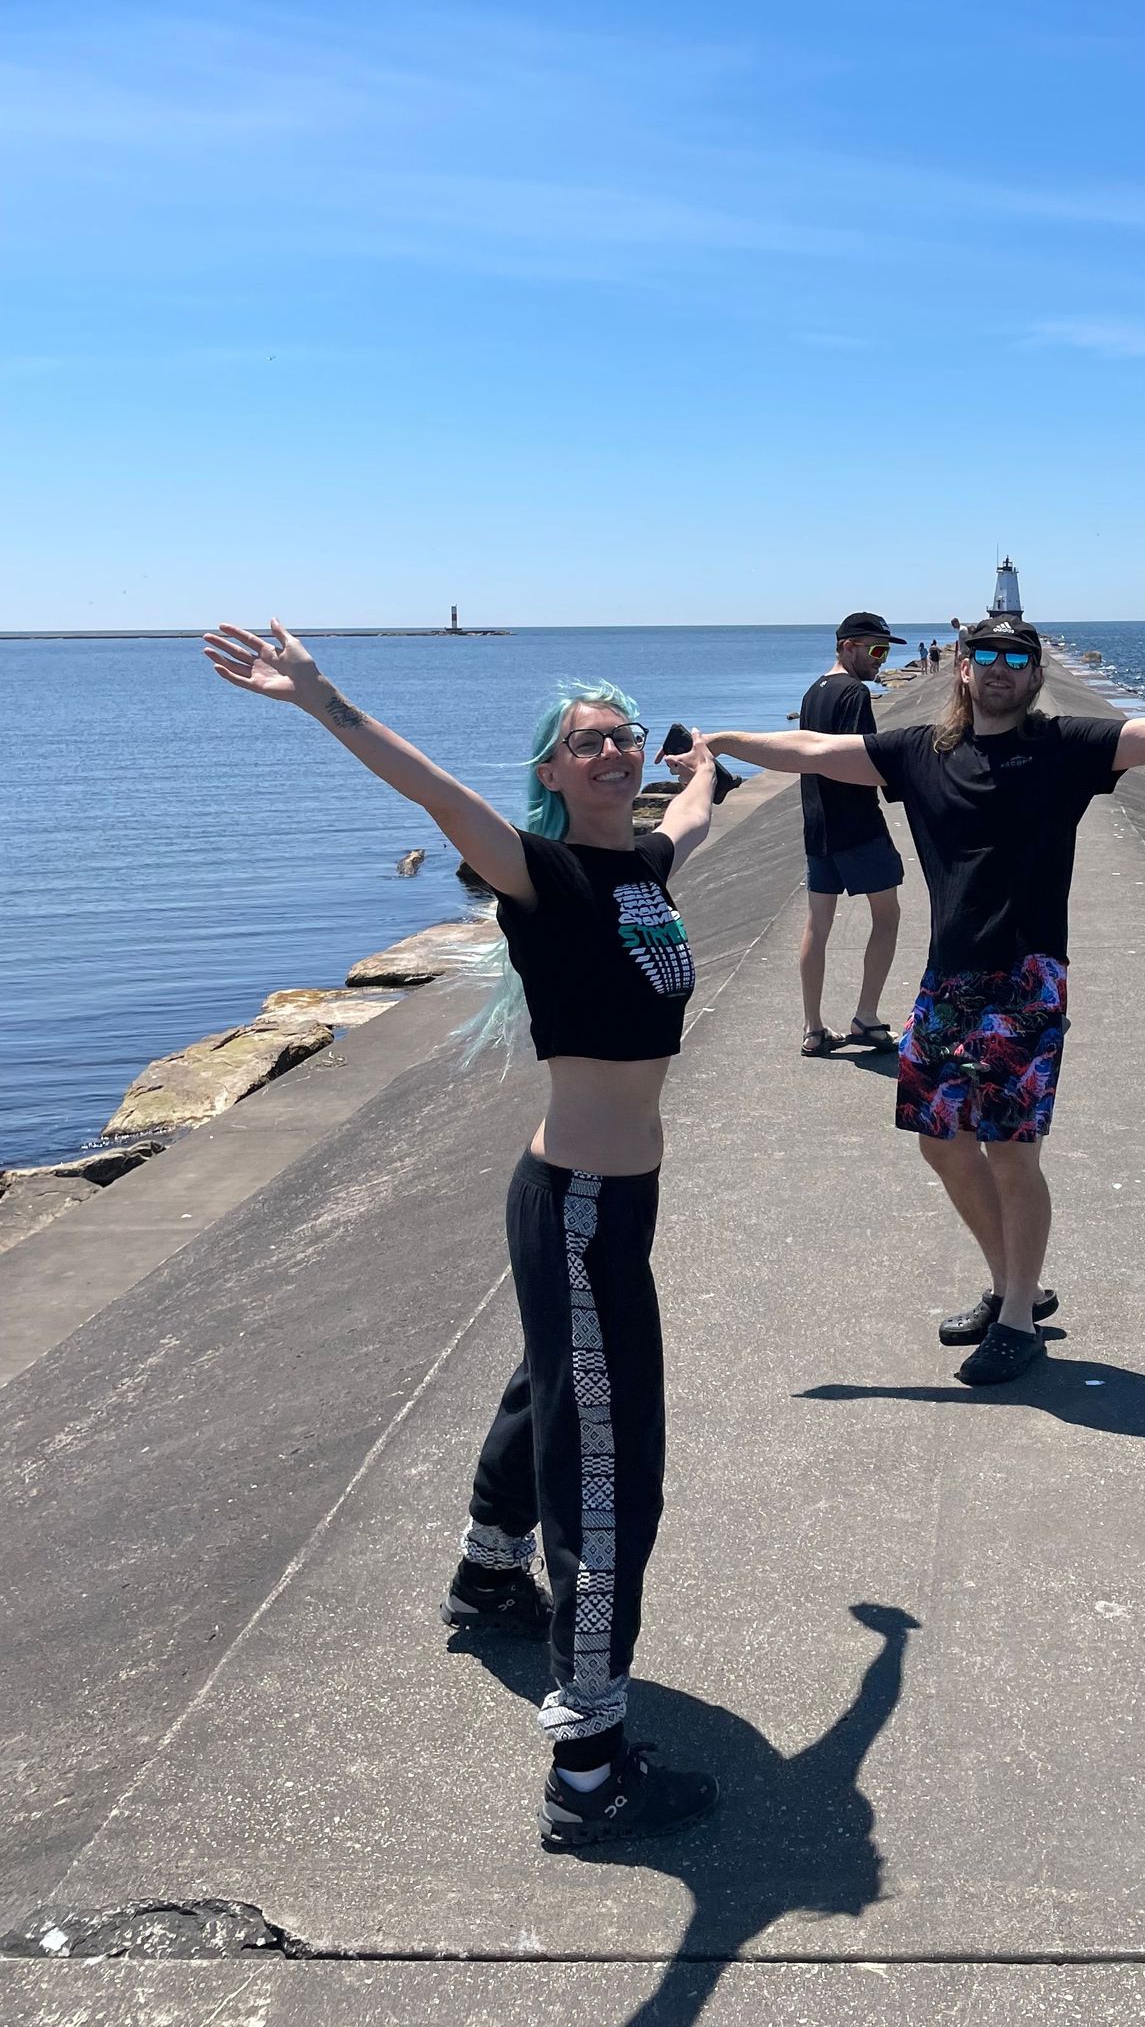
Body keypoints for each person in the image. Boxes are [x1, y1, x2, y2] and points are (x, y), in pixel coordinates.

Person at [203, 618, 721, 1856]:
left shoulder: (646, 864)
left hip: (605, 1205)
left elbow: (695, 807)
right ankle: (588, 1770)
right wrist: (323, 701)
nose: (612, 750)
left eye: (624, 736)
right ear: (549, 770)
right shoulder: (539, 875)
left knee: (551, 1388)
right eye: (587, 742)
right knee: (608, 1469)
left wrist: (704, 761)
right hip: (581, 1203)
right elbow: (431, 789)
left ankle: (488, 1572)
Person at [683, 616, 1145, 1386]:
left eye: (1017, 658)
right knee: (939, 1140)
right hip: (946, 979)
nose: (1000, 667)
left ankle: (1020, 1320)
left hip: (1027, 979)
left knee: (1010, 1150)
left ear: (1033, 676)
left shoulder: (1063, 749)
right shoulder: (919, 754)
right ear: (962, 667)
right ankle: (1011, 1288)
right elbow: (817, 752)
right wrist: (725, 741)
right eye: (986, 654)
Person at [797, 612, 909, 1058]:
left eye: (885, 651)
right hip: (857, 825)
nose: (881, 660)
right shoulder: (854, 692)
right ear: (847, 647)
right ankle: (866, 1017)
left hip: (817, 825)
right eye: (875, 650)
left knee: (817, 926)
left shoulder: (813, 692)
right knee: (887, 916)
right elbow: (863, 758)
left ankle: (813, 1028)